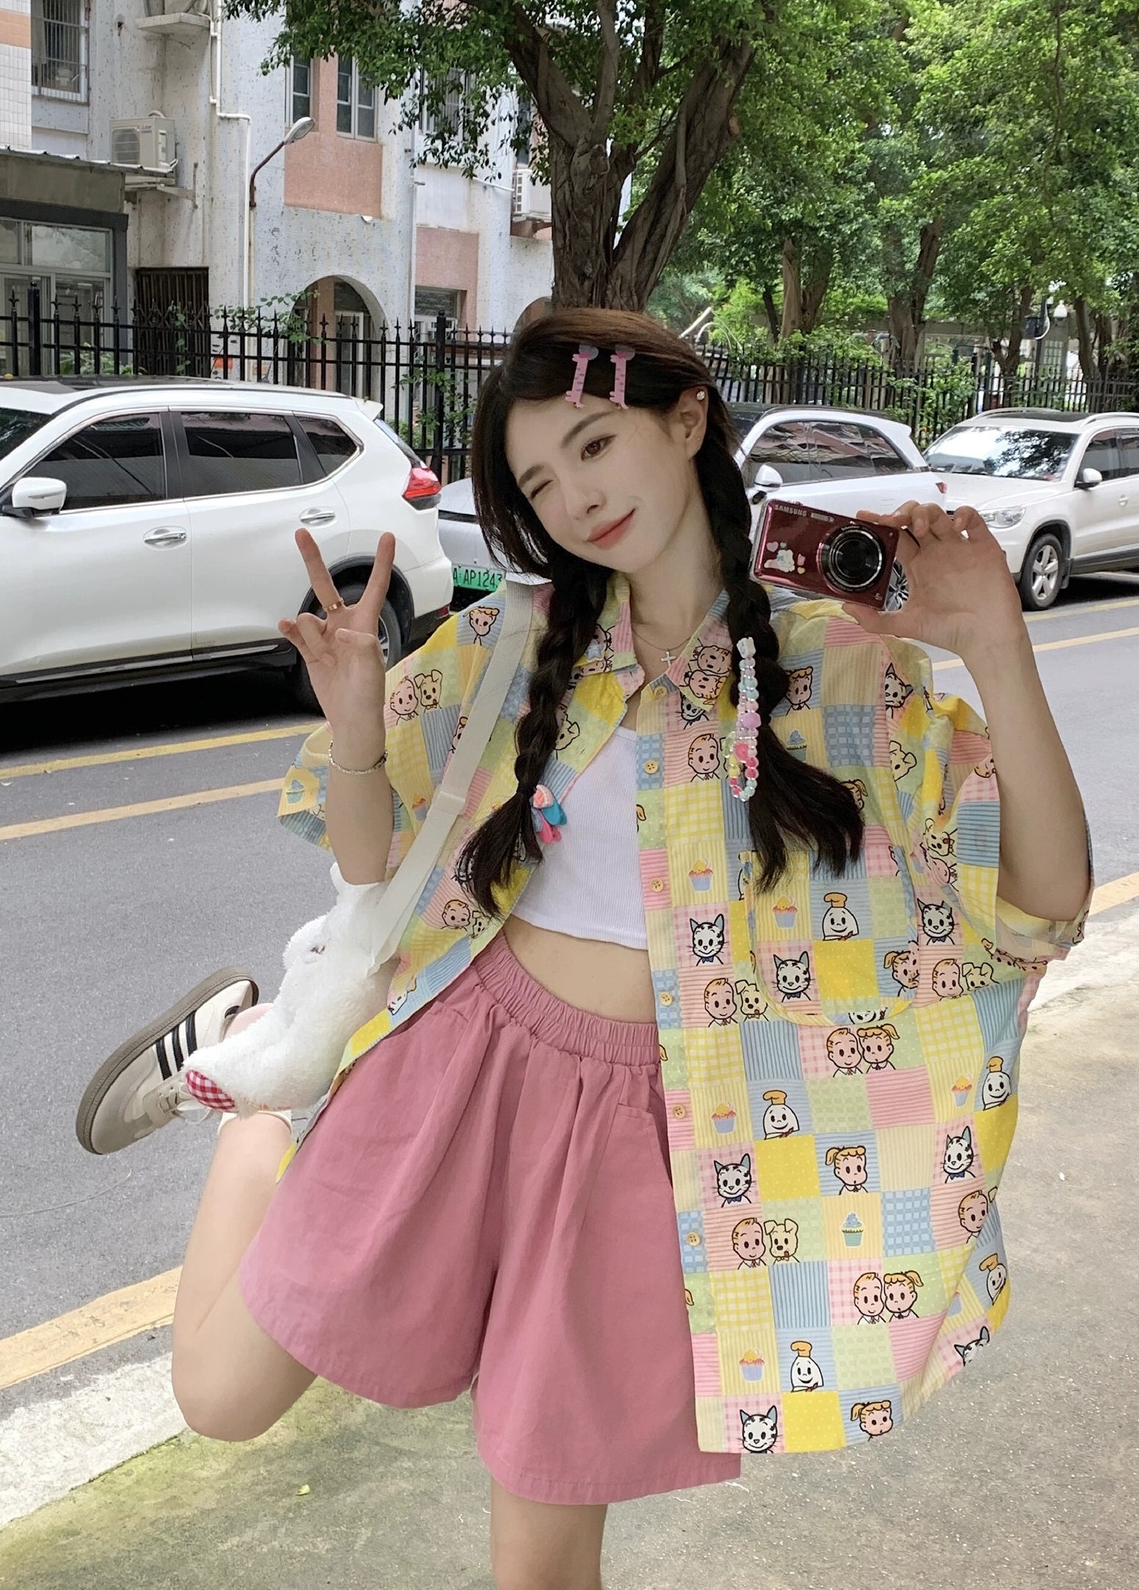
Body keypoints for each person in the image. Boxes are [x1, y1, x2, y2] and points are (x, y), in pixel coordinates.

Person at [77, 310, 1091, 1590]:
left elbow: (1041, 904)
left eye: (595, 445)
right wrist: (354, 722)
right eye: (542, 482)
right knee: (220, 1399)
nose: (575, 499)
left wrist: (994, 642)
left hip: (659, 1130)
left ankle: (264, 1070)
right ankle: (259, 1086)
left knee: (543, 1558)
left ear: (686, 419)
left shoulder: (842, 673)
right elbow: (371, 858)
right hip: (460, 1062)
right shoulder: (514, 643)